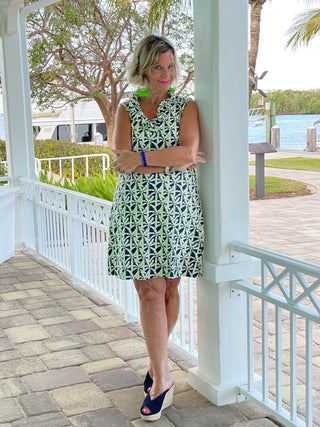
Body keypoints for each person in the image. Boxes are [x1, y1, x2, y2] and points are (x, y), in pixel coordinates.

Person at [108, 34, 205, 422]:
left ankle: (155, 364)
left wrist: (143, 158)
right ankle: (163, 377)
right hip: (135, 211)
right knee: (149, 289)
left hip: (175, 210)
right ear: (143, 69)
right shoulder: (127, 108)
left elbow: (188, 152)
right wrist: (169, 161)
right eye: (158, 67)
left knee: (170, 287)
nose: (166, 74)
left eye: (170, 66)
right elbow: (119, 160)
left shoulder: (187, 106)